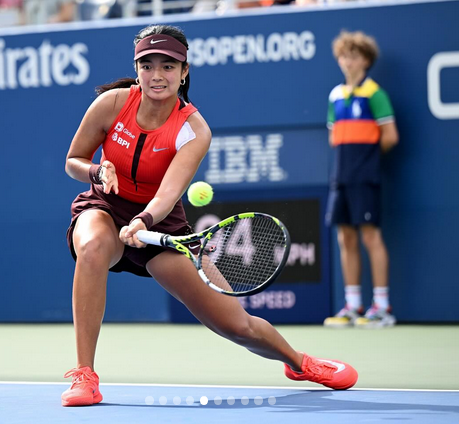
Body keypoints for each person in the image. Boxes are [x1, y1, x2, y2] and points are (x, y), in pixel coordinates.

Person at [62, 24, 358, 407]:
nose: (156, 75)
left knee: (236, 324)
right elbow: (73, 160)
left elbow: (167, 195)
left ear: (184, 71)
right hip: (104, 207)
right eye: (147, 65)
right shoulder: (112, 104)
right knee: (92, 246)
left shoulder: (193, 130)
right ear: (136, 69)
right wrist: (96, 172)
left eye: (168, 66)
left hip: (159, 224)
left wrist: (144, 222)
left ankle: (300, 363)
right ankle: (84, 374)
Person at [323, 30, 399, 329]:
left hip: (365, 177)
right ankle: (353, 306)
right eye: (343, 56)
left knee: (370, 236)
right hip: (340, 178)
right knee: (346, 237)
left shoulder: (375, 94)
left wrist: (366, 159)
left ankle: (381, 307)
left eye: (353, 56)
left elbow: (390, 136)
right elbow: (334, 138)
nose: (347, 61)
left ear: (366, 61)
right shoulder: (335, 95)